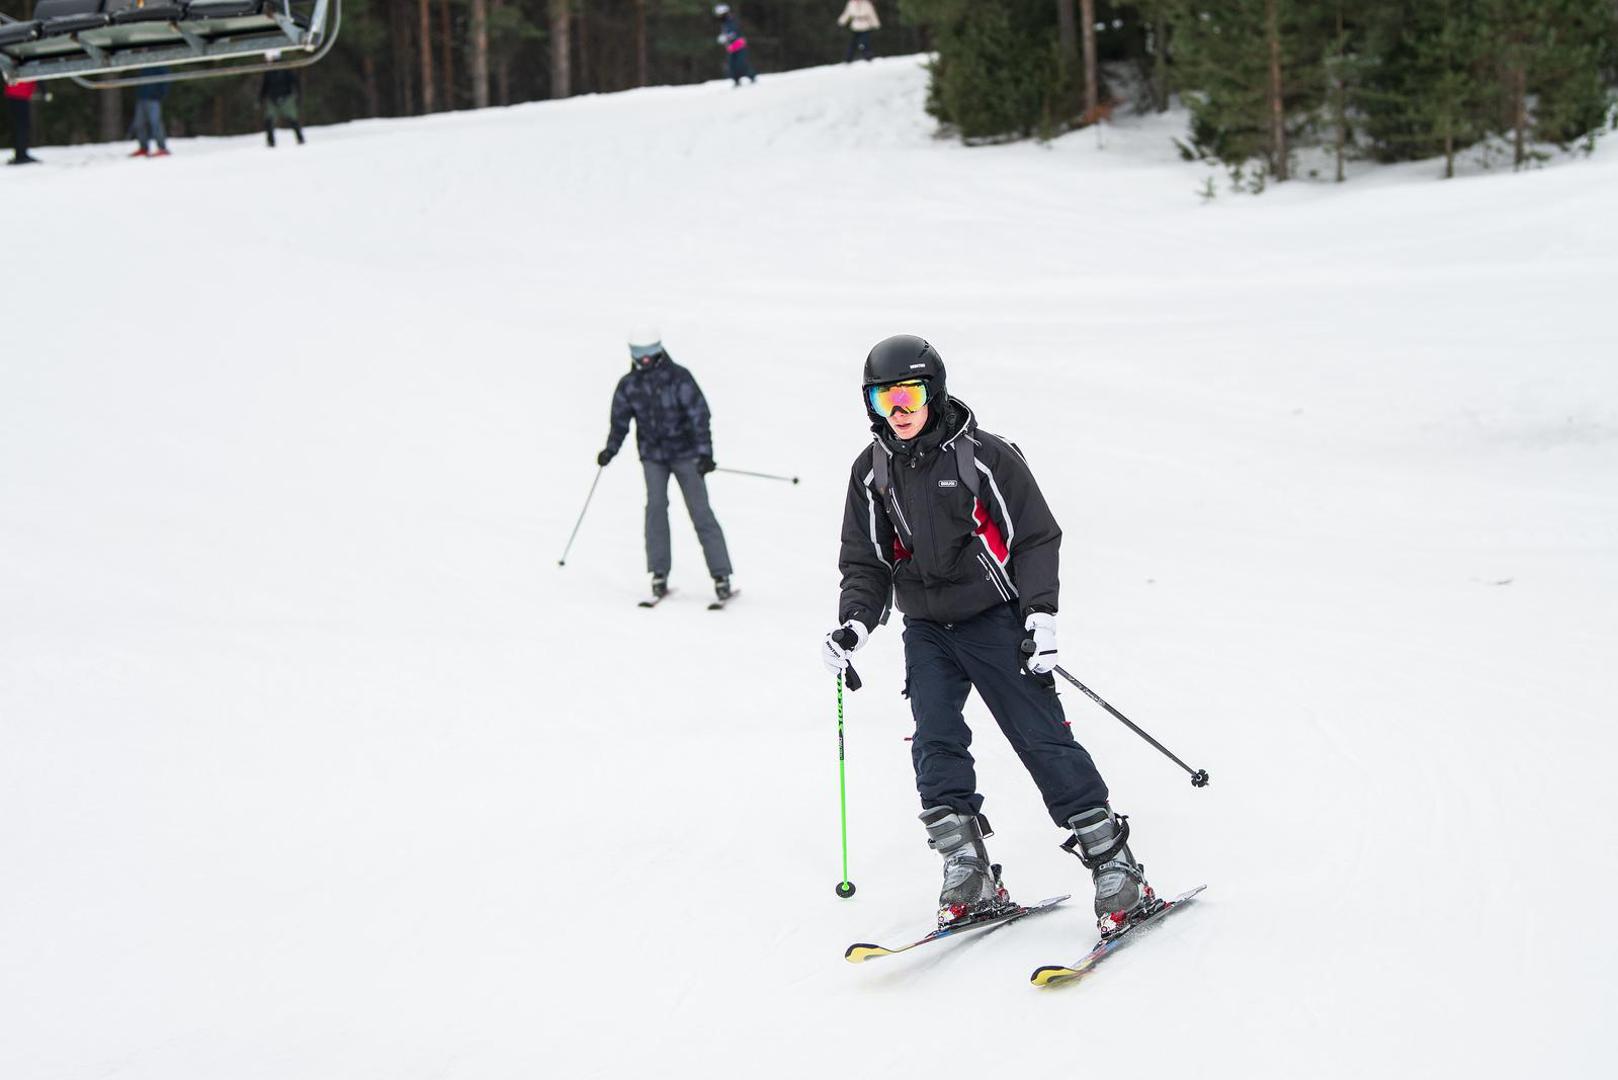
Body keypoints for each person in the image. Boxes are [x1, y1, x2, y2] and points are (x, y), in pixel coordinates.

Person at [820, 335, 1156, 933]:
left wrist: (1041, 616)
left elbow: (1034, 537)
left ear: (934, 392)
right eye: (881, 398)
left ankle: (1116, 867)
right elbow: (867, 561)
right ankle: (967, 869)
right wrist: (855, 622)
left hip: (993, 619)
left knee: (1040, 737)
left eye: (907, 395)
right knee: (935, 740)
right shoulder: (871, 470)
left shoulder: (984, 458)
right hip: (927, 626)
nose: (895, 411)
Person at [597, 330, 734, 603]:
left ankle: (721, 574)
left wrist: (705, 454)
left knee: (700, 512)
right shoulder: (629, 384)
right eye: (639, 354)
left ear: (658, 350)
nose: (645, 360)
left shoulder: (678, 377)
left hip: (685, 455)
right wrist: (610, 450)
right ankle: (658, 572)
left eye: (649, 354)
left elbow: (699, 415)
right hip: (653, 457)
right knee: (656, 508)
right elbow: (620, 422)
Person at [713, 4, 757, 87]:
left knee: (740, 64)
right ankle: (736, 81)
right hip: (731, 47)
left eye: (720, 15)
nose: (719, 17)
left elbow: (735, 32)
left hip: (739, 45)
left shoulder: (732, 20)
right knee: (732, 65)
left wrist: (726, 37)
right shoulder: (724, 23)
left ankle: (752, 77)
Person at [260, 68, 306, 148]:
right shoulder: (268, 71)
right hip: (272, 99)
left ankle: (300, 138)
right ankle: (271, 142)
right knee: (269, 120)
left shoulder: (285, 69)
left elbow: (295, 82)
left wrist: (298, 94)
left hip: (286, 98)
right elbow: (265, 85)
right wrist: (260, 98)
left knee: (292, 119)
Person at [130, 70, 170, 158]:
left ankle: (162, 148)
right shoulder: (143, 64)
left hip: (153, 99)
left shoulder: (159, 64)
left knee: (155, 123)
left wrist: (160, 95)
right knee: (139, 123)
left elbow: (165, 79)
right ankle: (143, 148)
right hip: (141, 97)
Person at [5, 78, 38, 166]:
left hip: (17, 95)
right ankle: (21, 156)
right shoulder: (25, 65)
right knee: (22, 127)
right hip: (19, 95)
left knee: (20, 127)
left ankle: (21, 154)